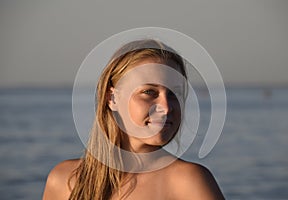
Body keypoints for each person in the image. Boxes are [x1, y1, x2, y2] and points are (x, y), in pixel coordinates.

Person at [42, 39, 225, 200]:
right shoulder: (65, 180)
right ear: (112, 99)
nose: (167, 107)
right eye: (149, 92)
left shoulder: (188, 181)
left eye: (174, 93)